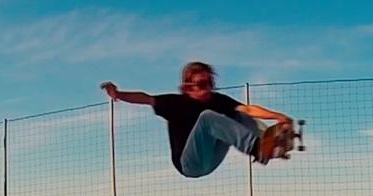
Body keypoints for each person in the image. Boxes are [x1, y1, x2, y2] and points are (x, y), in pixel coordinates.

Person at [101, 62, 293, 178]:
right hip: (189, 164)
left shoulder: (218, 100)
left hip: (211, 160)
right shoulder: (174, 103)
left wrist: (278, 117)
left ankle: (270, 147)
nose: (207, 89)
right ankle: (258, 148)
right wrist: (118, 93)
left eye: (210, 83)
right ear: (187, 87)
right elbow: (145, 98)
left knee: (238, 113)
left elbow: (249, 109)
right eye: (201, 84)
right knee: (208, 118)